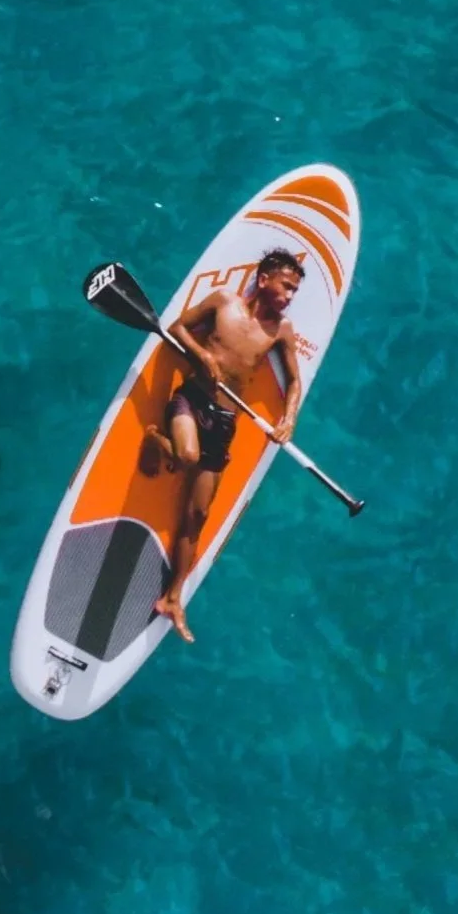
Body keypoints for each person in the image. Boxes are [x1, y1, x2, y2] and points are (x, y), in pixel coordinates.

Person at [140, 247, 305, 643]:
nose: (289, 296)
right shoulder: (223, 302)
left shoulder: (280, 331)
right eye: (286, 286)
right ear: (264, 280)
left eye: (295, 291)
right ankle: (155, 439)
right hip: (189, 401)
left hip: (225, 422)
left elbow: (295, 382)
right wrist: (202, 357)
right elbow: (178, 327)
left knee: (196, 516)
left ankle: (173, 598)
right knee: (188, 456)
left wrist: (289, 421)